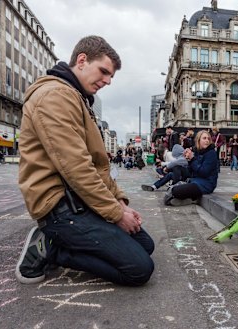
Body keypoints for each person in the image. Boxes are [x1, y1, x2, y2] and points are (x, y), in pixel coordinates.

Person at [16, 35, 154, 286]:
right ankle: (51, 247)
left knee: (145, 244)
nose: (108, 81)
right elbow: (77, 169)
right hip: (60, 208)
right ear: (82, 61)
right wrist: (115, 214)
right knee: (139, 269)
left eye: (111, 76)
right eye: (103, 71)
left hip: (79, 201)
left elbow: (97, 166)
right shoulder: (54, 96)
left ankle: (71, 243)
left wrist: (121, 203)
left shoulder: (77, 98)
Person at [164, 130, 219, 206]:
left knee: (175, 190)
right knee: (177, 168)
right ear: (198, 140)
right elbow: (191, 172)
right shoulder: (197, 152)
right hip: (195, 181)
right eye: (204, 138)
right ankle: (189, 199)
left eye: (208, 139)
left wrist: (192, 159)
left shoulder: (211, 153)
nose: (207, 140)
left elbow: (204, 172)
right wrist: (188, 159)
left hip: (206, 184)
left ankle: (190, 199)